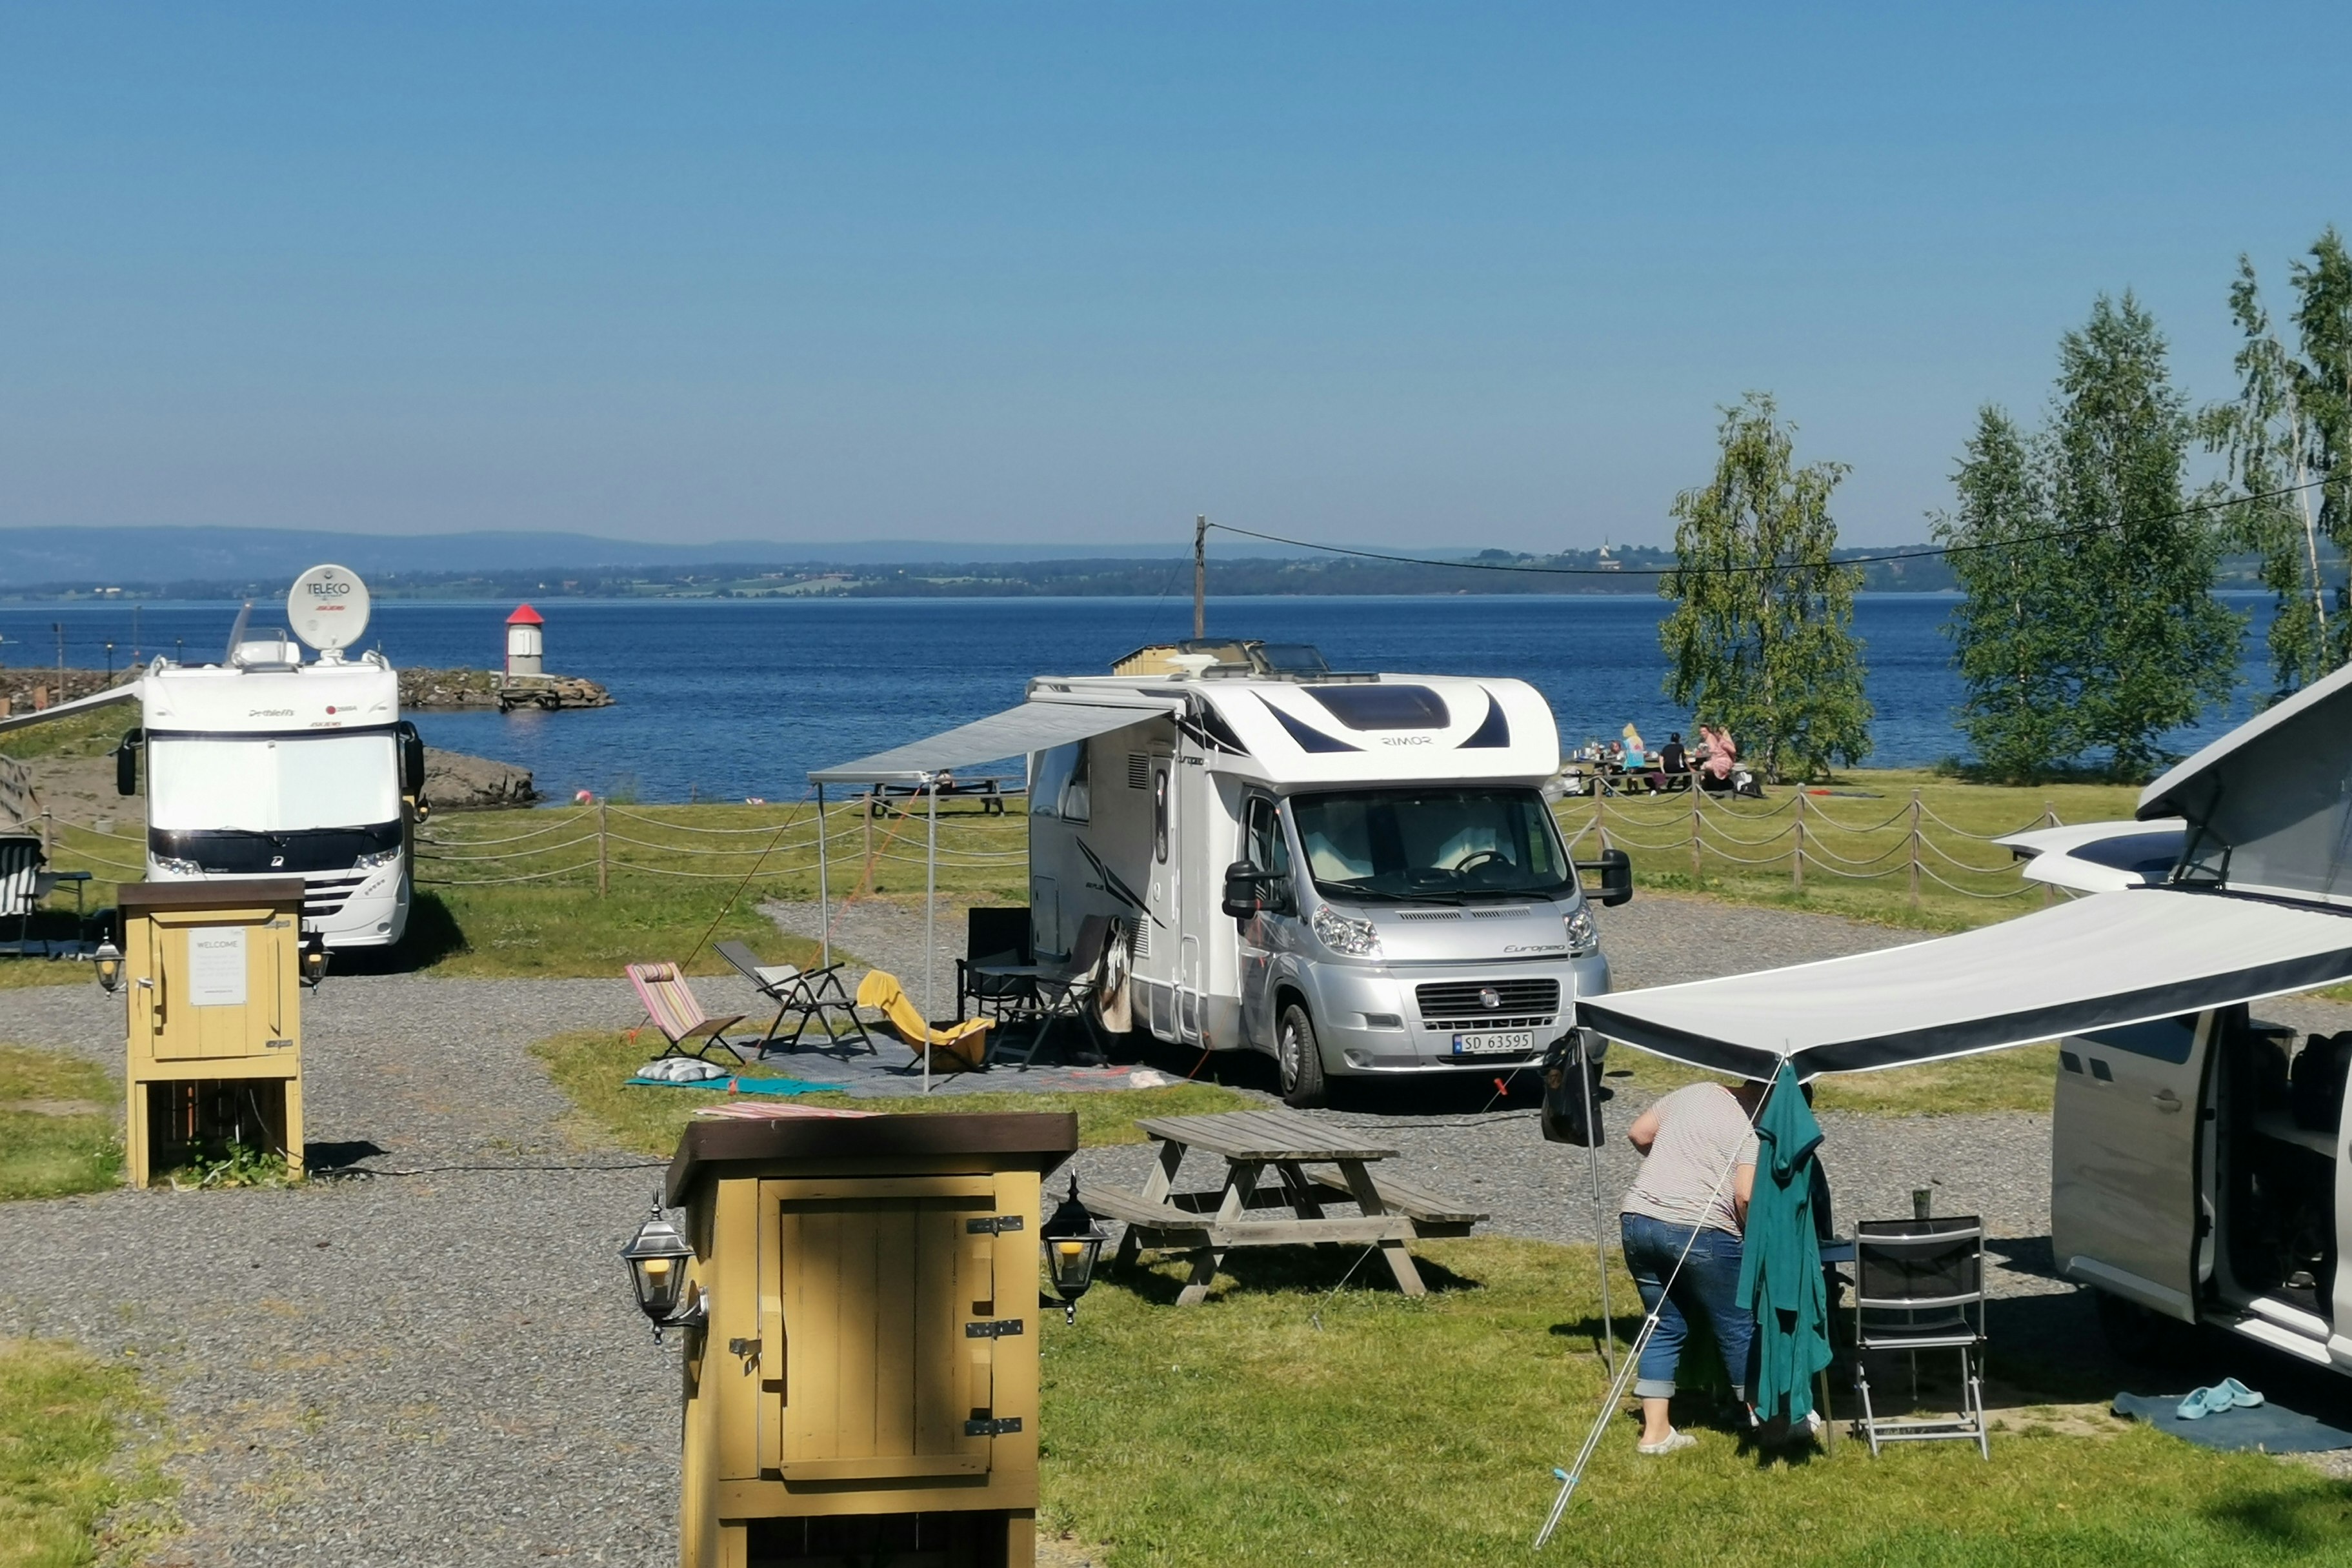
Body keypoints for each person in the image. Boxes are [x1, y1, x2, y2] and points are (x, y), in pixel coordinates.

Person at [1618, 1076, 1767, 1454]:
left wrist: (1679, 1164)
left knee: (1662, 1322)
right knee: (1737, 1326)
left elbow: (1639, 1133)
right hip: (1702, 1231)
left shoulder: (1696, 1092)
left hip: (1638, 1219)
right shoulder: (1751, 1130)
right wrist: (1752, 1236)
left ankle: (1655, 1434)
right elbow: (1745, 1195)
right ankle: (1764, 1420)